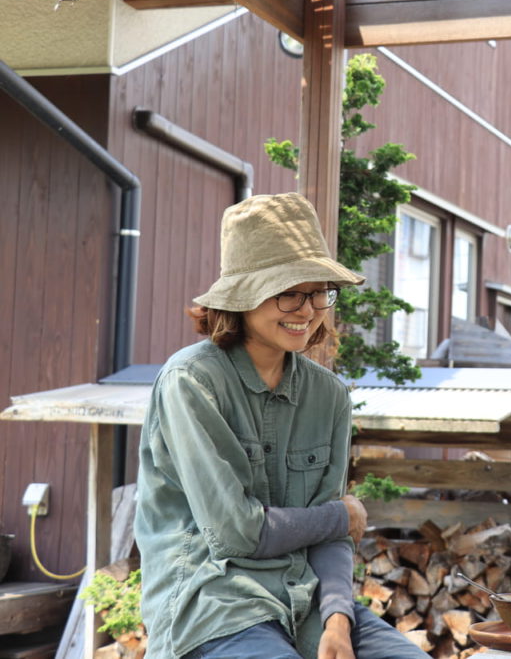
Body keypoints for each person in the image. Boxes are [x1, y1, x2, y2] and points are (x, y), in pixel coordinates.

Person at [134, 192, 430, 659]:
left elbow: (331, 540)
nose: (308, 309)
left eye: (317, 292)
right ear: (242, 295)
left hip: (307, 600)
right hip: (215, 602)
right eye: (289, 291)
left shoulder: (328, 395)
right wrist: (342, 513)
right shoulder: (191, 381)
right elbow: (236, 533)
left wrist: (337, 619)